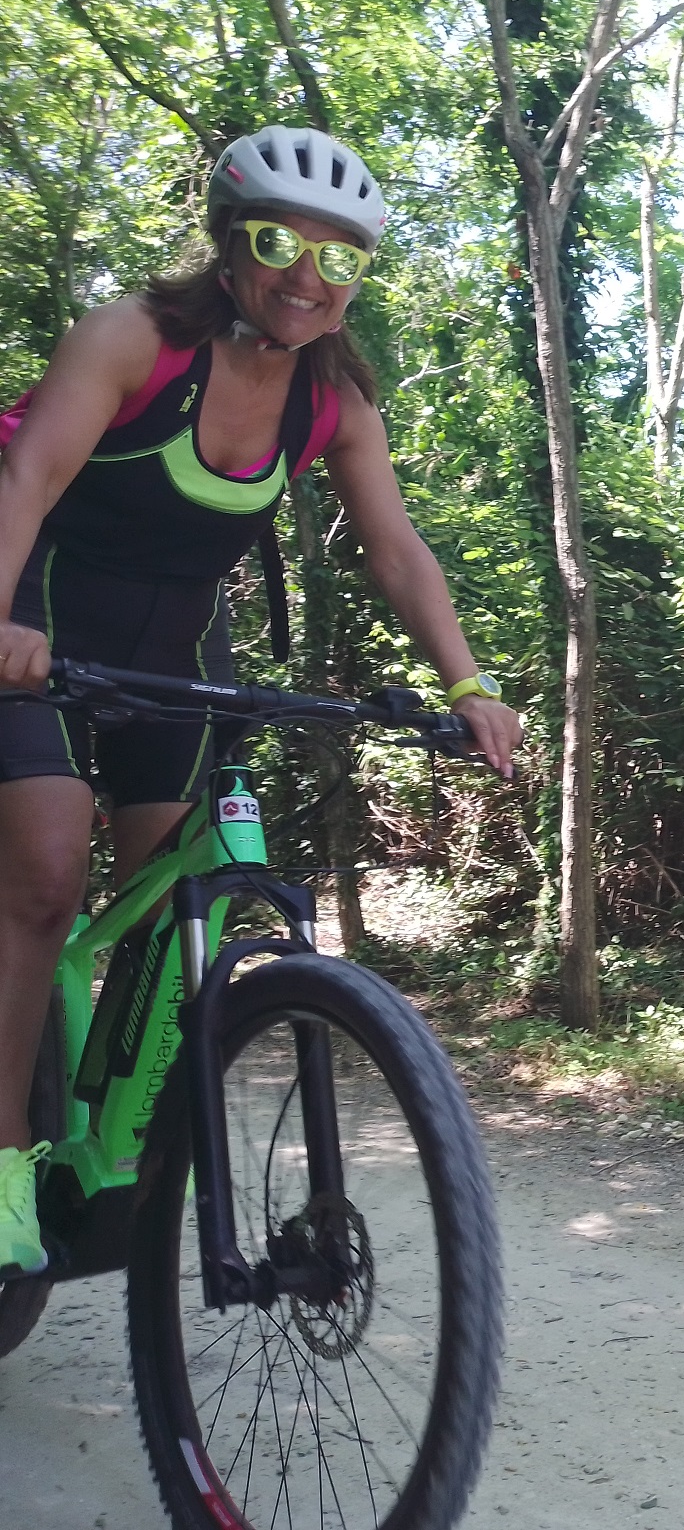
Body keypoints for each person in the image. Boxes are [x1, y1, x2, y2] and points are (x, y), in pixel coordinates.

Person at [0, 125, 523, 1279]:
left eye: (341, 259)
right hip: (34, 611)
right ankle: (0, 1167)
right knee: (44, 868)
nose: (307, 277)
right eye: (283, 244)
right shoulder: (134, 339)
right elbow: (26, 477)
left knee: (175, 896)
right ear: (232, 243)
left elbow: (396, 549)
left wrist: (468, 684)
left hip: (174, 645)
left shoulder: (331, 400)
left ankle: (120, 1148)